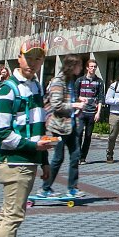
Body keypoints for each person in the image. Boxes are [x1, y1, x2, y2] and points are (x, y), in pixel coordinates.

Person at [0, 40, 57, 237]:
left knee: (7, 214)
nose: (32, 63)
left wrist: (43, 158)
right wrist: (34, 147)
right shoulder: (8, 89)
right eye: (28, 58)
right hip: (15, 162)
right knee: (13, 216)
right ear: (19, 58)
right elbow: (1, 132)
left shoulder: (35, 86)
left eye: (38, 58)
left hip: (29, 161)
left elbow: (38, 127)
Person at [37, 56, 82, 199]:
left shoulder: (70, 81)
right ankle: (45, 188)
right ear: (72, 66)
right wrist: (74, 105)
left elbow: (68, 101)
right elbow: (56, 105)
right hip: (57, 127)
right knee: (58, 158)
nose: (81, 69)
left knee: (75, 156)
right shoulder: (58, 81)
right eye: (79, 66)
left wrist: (79, 102)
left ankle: (72, 188)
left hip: (70, 125)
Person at [72, 58, 105, 164]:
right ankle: (76, 156)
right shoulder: (80, 80)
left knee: (88, 136)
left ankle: (83, 157)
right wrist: (80, 99)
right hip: (81, 112)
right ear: (87, 68)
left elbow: (100, 98)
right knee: (79, 134)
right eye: (91, 66)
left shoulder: (99, 82)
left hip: (92, 112)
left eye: (95, 67)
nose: (93, 68)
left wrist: (98, 112)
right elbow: (74, 95)